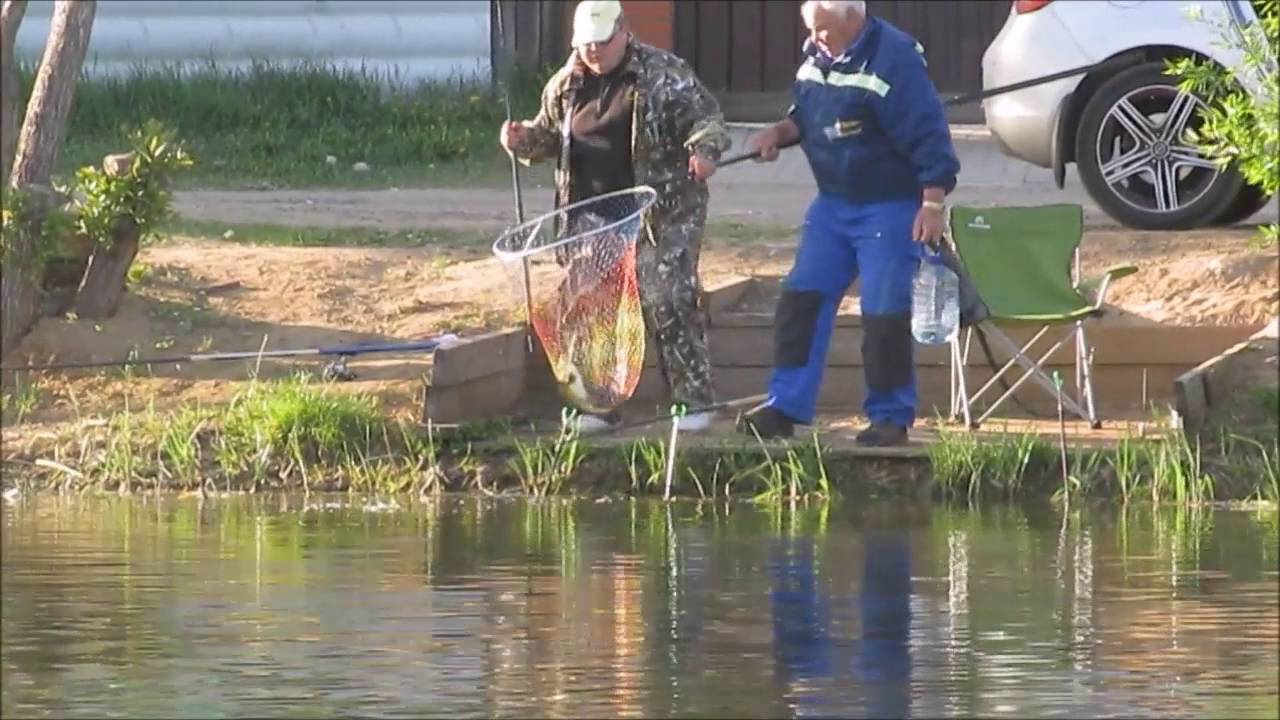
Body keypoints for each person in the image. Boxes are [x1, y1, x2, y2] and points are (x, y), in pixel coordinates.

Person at [500, 0, 731, 433]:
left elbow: (709, 120)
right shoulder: (566, 84)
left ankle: (694, 402)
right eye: (585, 44)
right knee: (588, 306)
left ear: (624, 33)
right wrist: (522, 139)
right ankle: (597, 407)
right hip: (591, 220)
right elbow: (548, 138)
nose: (593, 52)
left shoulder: (664, 73)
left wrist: (705, 151)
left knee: (669, 296)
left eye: (602, 43)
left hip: (662, 215)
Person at [737, 0, 960, 447]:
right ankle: (786, 404)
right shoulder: (818, 53)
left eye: (824, 29)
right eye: (813, 30)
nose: (816, 38)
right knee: (801, 299)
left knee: (883, 311)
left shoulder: (894, 59)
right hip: (833, 204)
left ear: (852, 19)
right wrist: (776, 134)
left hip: (890, 205)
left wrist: (932, 204)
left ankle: (890, 415)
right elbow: (806, 113)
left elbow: (930, 133)